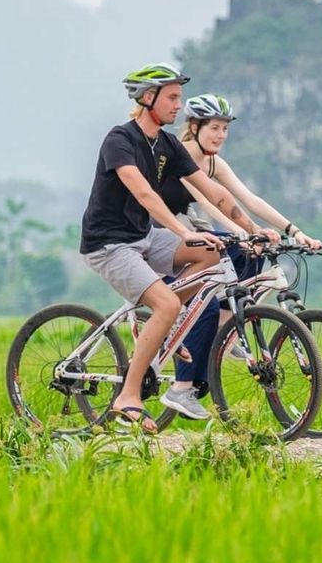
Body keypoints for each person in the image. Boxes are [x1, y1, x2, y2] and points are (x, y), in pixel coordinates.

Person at [79, 63, 244, 432]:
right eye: (172, 98)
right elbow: (144, 194)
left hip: (144, 237)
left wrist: (250, 230)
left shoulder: (167, 143)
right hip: (108, 243)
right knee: (168, 302)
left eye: (179, 98)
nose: (177, 106)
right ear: (147, 98)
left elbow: (211, 189)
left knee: (212, 253)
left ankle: (167, 326)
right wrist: (183, 233)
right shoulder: (119, 140)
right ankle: (128, 397)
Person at [160, 93, 322, 394]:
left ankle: (228, 327)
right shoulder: (178, 156)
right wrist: (243, 232)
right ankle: (213, 331)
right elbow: (209, 203)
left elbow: (248, 199)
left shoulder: (213, 163)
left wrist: (293, 230)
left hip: (193, 233)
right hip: (166, 236)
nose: (221, 135)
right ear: (194, 127)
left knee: (252, 253)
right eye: (214, 128)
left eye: (225, 129)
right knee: (236, 249)